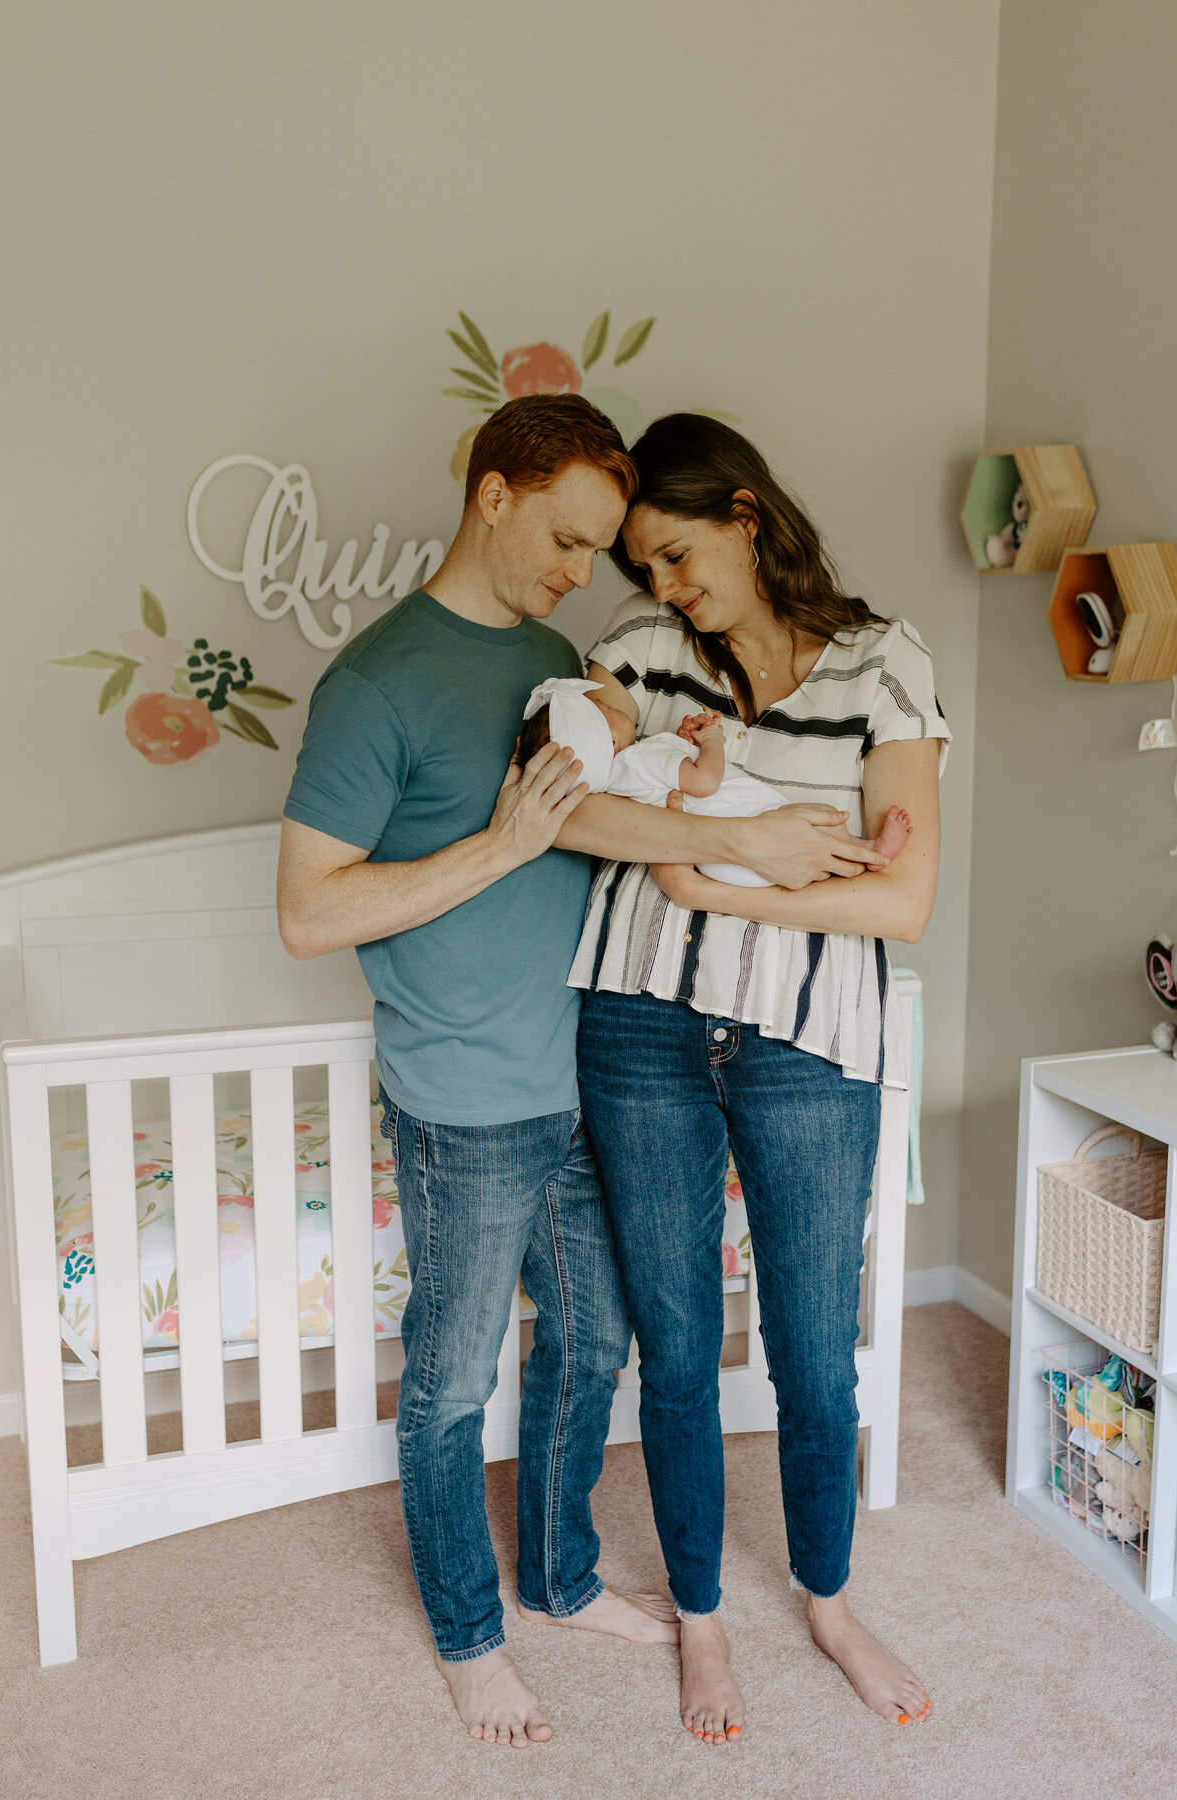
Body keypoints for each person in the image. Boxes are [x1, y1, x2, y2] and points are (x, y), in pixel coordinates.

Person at [276, 394, 881, 1750]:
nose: (578, 570)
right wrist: (496, 847)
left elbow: (608, 817)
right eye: (563, 535)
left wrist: (708, 787)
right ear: (493, 493)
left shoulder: (557, 659)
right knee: (450, 1383)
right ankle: (468, 1637)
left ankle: (555, 1579)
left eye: (600, 548)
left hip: (576, 1079)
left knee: (598, 1339)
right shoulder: (377, 683)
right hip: (466, 1101)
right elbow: (309, 914)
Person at [570, 412, 950, 1745]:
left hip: (809, 1041)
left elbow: (902, 902)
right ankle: (706, 1621)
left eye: (677, 554)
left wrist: (707, 872)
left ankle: (830, 1604)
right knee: (675, 1351)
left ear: (743, 511)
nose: (667, 587)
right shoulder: (637, 655)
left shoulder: (884, 665)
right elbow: (561, 792)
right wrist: (776, 850)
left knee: (811, 1353)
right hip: (640, 1026)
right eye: (646, 568)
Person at [516, 679, 912, 882]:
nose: (610, 703)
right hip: (740, 824)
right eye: (602, 707)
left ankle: (860, 856)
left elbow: (666, 774)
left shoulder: (616, 780)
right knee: (817, 820)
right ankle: (866, 850)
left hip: (721, 868)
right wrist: (712, 742)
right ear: (608, 737)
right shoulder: (641, 757)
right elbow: (704, 781)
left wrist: (680, 738)